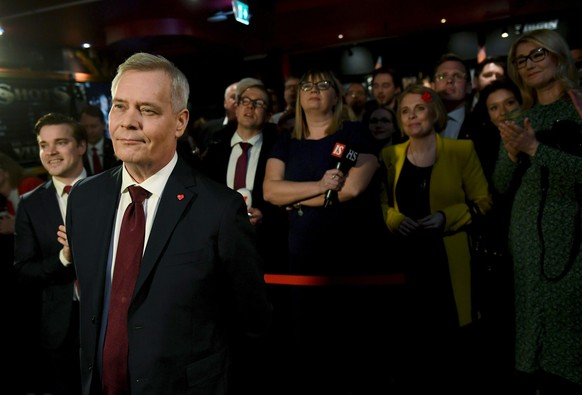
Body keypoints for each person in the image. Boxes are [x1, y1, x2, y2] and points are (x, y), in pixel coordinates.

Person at [60, 52, 272, 395]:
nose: (128, 122)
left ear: (180, 122)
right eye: (119, 106)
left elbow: (252, 325)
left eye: (147, 110)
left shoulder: (219, 210)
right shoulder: (84, 198)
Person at [263, 69, 393, 394]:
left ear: (335, 96)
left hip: (350, 252)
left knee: (353, 343)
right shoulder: (286, 141)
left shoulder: (353, 133)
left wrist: (295, 195)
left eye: (323, 85)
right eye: (308, 85)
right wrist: (321, 186)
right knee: (309, 343)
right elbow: (270, 192)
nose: (314, 90)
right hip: (302, 257)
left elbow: (352, 189)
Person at [379, 84, 491, 393]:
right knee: (411, 347)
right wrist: (394, 219)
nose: (412, 116)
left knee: (452, 350)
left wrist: (446, 217)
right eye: (405, 110)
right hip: (405, 264)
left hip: (448, 263)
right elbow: (380, 204)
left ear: (434, 112)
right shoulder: (389, 155)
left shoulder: (460, 151)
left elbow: (484, 202)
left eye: (419, 108)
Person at [493, 28, 582, 394]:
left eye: (537, 55)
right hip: (527, 231)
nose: (527, 65)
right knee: (531, 317)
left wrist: (535, 150)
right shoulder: (518, 114)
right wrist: (513, 153)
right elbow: (499, 184)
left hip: (572, 233)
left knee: (570, 321)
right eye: (520, 59)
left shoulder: (578, 106)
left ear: (558, 56)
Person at [14, 112, 88, 395]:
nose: (51, 152)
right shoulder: (30, 204)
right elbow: (22, 271)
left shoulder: (113, 190)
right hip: (61, 326)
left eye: (60, 142)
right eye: (43, 145)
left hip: (111, 317)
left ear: (81, 146)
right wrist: (65, 258)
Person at [0, 152, 45, 393]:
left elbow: (42, 225)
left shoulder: (28, 185)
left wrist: (14, 226)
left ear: (4, 171)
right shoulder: (7, 202)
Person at [191, 81, 238, 158]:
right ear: (225, 102)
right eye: (234, 97)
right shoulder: (207, 128)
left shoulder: (254, 132)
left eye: (242, 99)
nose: (238, 101)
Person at [432, 53, 473, 139]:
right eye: (442, 76)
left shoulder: (481, 126)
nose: (449, 80)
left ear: (469, 87)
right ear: (433, 86)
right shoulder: (422, 122)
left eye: (457, 76)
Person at [78, 104, 119, 175]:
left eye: (93, 126)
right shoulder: (76, 152)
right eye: (85, 127)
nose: (89, 131)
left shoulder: (116, 148)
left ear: (103, 125)